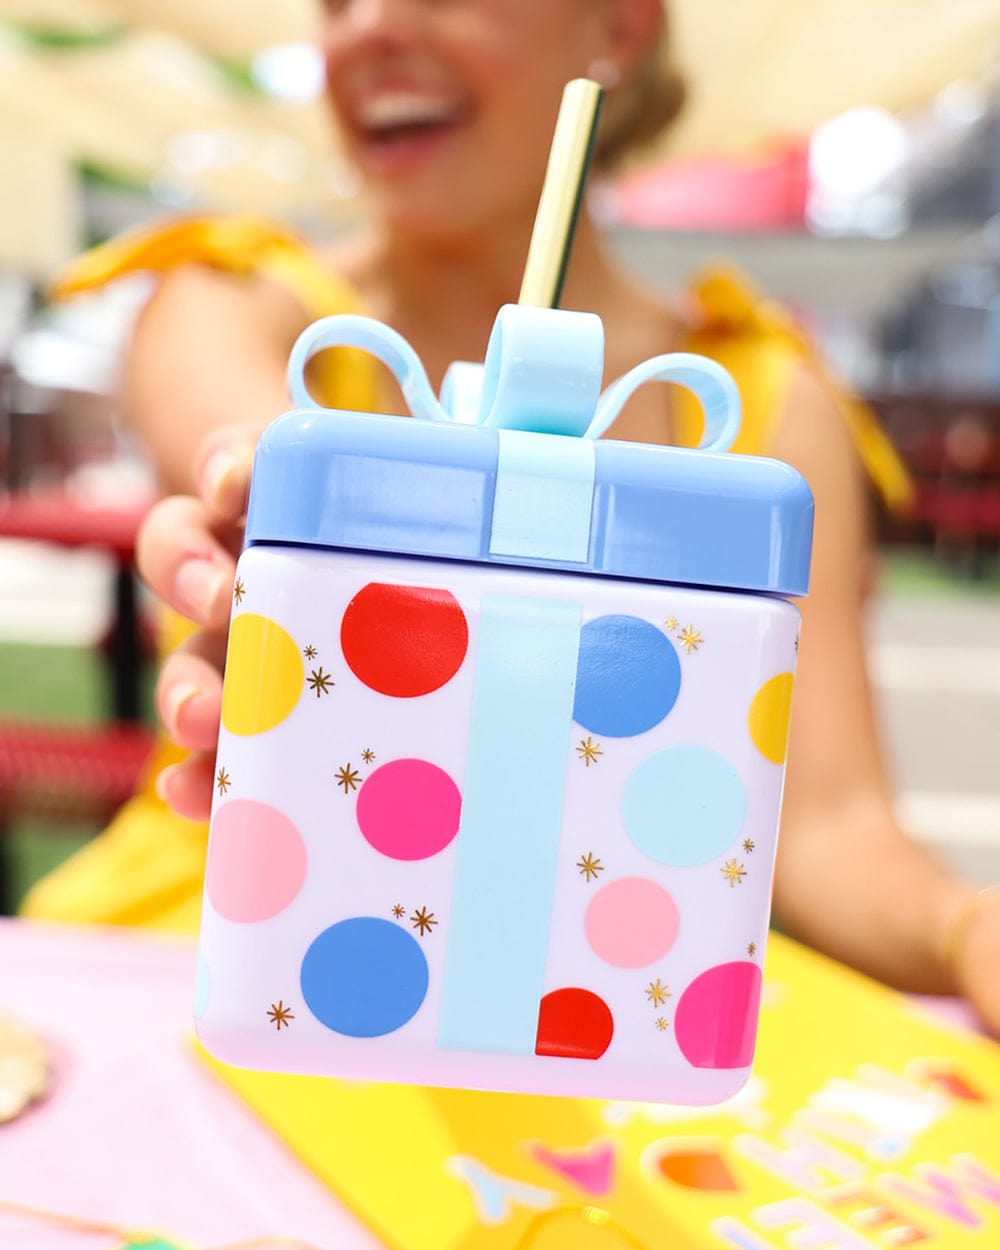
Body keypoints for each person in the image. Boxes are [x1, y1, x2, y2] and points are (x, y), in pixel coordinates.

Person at [23, 0, 1000, 1035]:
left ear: (618, 28)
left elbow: (828, 826)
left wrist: (963, 928)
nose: (369, 28)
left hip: (583, 1004)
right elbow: (261, 469)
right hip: (225, 951)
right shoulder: (231, 302)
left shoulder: (770, 401)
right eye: (338, 1)